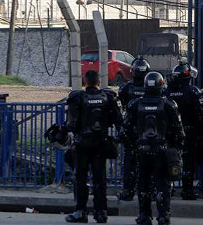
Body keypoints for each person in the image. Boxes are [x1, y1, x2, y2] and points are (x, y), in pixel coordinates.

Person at [125, 72, 185, 225]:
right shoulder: (168, 104)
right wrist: (176, 146)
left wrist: (133, 146)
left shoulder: (135, 104)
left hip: (142, 150)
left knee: (143, 183)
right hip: (162, 149)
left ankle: (144, 215)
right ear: (161, 85)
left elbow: (126, 129)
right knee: (163, 183)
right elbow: (178, 130)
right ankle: (163, 215)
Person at [64, 70, 123, 224]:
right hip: (100, 142)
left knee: (80, 178)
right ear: (98, 82)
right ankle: (101, 212)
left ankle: (80, 211)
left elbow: (71, 123)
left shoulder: (77, 97)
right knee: (100, 178)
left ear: (85, 82)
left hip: (82, 143)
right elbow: (118, 119)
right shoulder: (108, 97)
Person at [165, 60, 203, 200]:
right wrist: (200, 130)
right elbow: (202, 115)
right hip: (189, 131)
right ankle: (187, 190)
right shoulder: (192, 91)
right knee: (188, 161)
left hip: (170, 131)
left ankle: (168, 187)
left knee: (170, 159)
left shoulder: (167, 92)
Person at [117, 58, 151, 201]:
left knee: (130, 162)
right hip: (148, 131)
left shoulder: (126, 88)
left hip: (131, 129)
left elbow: (122, 105)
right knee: (150, 162)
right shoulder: (151, 86)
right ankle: (150, 191)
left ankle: (128, 191)